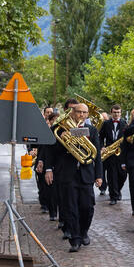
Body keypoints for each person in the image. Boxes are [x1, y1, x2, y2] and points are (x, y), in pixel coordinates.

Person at [43, 101, 103, 251]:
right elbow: (50, 151)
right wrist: (48, 169)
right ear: (72, 113)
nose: (81, 115)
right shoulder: (59, 129)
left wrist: (99, 175)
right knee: (70, 208)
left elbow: (97, 155)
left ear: (87, 115)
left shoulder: (92, 130)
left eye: (84, 112)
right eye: (78, 112)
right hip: (67, 174)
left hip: (86, 174)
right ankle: (75, 240)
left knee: (87, 207)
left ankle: (83, 232)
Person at [99, 105, 127, 205]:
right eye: (115, 112)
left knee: (122, 175)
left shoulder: (125, 123)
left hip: (121, 154)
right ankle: (113, 196)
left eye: (118, 112)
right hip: (110, 153)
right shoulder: (106, 123)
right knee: (111, 176)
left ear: (121, 113)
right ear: (111, 113)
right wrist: (102, 147)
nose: (116, 114)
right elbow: (100, 137)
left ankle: (118, 189)